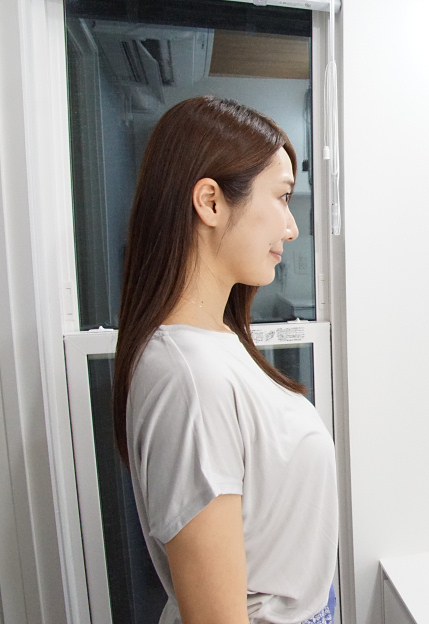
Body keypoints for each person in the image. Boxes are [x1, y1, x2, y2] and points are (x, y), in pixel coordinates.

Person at [112, 96, 338, 624]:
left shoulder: (217, 344)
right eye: (282, 197)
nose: (292, 228)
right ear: (211, 202)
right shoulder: (188, 376)